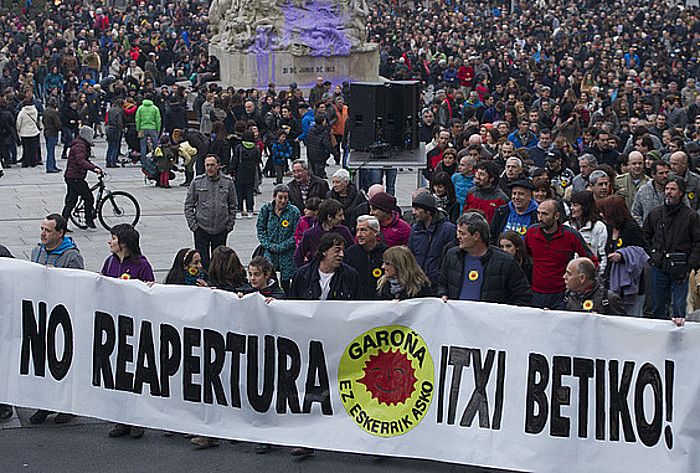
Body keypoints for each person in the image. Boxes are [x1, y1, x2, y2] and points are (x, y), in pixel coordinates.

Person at [27, 214, 82, 426]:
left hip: (63, 315)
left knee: (61, 361)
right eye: (42, 229)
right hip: (42, 313)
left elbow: (77, 285)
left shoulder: (71, 257)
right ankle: (44, 404)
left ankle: (66, 406)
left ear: (60, 233)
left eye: (48, 230)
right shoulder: (36, 251)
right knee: (42, 360)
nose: (43, 234)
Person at [102, 224, 154, 440]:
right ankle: (121, 419)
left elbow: (151, 293)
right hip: (114, 325)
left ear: (123, 243)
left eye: (113, 238)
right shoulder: (110, 262)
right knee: (118, 374)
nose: (109, 242)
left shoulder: (142, 265)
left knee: (135, 374)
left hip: (135, 327)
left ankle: (137, 420)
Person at [438, 212, 532, 305]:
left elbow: (523, 296)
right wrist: (443, 294)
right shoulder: (452, 255)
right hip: (457, 318)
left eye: (462, 234)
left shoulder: (506, 262)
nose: (458, 237)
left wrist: (503, 314)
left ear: (476, 236)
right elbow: (442, 283)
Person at [643, 177, 700, 326]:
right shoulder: (655, 213)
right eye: (667, 189)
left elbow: (698, 242)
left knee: (679, 309)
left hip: (681, 269)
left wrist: (690, 265)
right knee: (658, 307)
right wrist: (654, 257)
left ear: (681, 193)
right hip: (659, 267)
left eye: (673, 189)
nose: (668, 192)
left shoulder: (691, 216)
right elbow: (645, 237)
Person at [524, 200, 597, 309]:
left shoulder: (571, 235)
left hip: (562, 294)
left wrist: (581, 285)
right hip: (536, 292)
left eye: (545, 214)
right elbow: (526, 257)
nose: (540, 217)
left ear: (556, 215)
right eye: (538, 213)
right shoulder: (531, 233)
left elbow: (591, 261)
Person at [597, 195, 649, 317]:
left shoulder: (632, 228)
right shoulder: (609, 227)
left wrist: (623, 255)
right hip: (611, 281)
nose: (601, 215)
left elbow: (643, 252)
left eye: (604, 212)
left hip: (631, 284)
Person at [184, 154, 238, 269]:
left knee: (219, 262)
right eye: (207, 165)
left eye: (212, 165)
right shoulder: (197, 182)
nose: (210, 168)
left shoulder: (228, 182)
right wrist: (193, 225)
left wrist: (230, 225)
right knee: (202, 262)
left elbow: (233, 205)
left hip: (221, 228)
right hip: (201, 229)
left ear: (218, 166)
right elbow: (189, 205)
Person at [256, 184, 301, 293]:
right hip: (270, 250)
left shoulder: (294, 211)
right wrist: (268, 245)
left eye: (285, 198)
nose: (283, 201)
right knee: (269, 277)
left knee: (287, 280)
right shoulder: (266, 210)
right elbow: (260, 228)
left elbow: (297, 233)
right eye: (280, 197)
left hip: (287, 252)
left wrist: (282, 246)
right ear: (274, 197)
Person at [289, 232, 359, 301]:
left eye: (343, 251)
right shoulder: (302, 275)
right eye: (337, 250)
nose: (341, 254)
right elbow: (293, 304)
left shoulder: (350, 275)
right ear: (324, 251)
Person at [408, 193, 456, 290]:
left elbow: (451, 258)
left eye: (417, 209)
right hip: (418, 282)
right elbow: (411, 253)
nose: (414, 212)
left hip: (437, 283)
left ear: (428, 211)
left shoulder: (448, 229)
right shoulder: (415, 229)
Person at [61, 126, 103, 229]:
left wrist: (95, 167)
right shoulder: (80, 146)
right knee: (88, 197)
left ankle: (62, 224)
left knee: (71, 200)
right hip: (75, 177)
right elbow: (81, 162)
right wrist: (94, 169)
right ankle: (88, 220)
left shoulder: (81, 144)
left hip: (72, 176)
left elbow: (84, 160)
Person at [294, 198, 354, 267]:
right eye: (339, 215)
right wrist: (308, 272)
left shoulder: (344, 231)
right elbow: (298, 257)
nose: (343, 218)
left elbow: (352, 253)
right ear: (329, 217)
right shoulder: (311, 234)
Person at [344, 215, 389, 299]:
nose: (359, 235)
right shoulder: (350, 253)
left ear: (375, 232)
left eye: (363, 230)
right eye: (357, 230)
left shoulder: (386, 253)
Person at [566, 191, 608, 275]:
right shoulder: (567, 226)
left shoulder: (599, 227)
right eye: (571, 205)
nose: (571, 208)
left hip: (590, 275)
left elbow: (603, 255)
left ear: (585, 207)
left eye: (575, 205)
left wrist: (599, 275)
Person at [490, 180, 538, 244]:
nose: (516, 197)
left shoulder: (537, 214)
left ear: (529, 196)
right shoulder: (502, 211)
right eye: (514, 193)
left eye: (521, 194)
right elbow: (492, 235)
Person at [631, 160, 671, 226]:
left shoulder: (675, 189)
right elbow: (635, 213)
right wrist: (643, 228)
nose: (665, 176)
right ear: (653, 174)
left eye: (667, 172)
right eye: (661, 173)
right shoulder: (643, 191)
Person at [231, 131, 260, 217]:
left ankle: (239, 210)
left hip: (240, 172)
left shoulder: (239, 147)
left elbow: (235, 160)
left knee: (239, 192)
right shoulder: (255, 148)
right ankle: (250, 210)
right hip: (251, 172)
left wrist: (232, 170)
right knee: (249, 192)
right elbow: (257, 160)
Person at [16, 98, 42, 168]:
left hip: (24, 133)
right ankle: (33, 161)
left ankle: (26, 162)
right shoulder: (35, 110)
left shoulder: (22, 112)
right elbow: (37, 120)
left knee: (26, 148)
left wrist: (18, 130)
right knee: (33, 148)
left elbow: (18, 122)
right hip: (34, 131)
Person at [304, 114, 332, 178]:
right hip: (320, 154)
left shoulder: (310, 130)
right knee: (319, 171)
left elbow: (306, 140)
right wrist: (334, 152)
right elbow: (327, 144)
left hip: (311, 153)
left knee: (313, 170)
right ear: (323, 121)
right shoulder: (324, 132)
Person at [135, 96, 161, 163]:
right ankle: (156, 159)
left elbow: (137, 119)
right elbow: (158, 119)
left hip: (143, 128)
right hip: (153, 128)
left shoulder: (140, 108)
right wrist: (158, 129)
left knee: (143, 145)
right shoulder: (155, 108)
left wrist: (138, 128)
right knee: (155, 144)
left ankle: (143, 160)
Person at [42, 98, 62, 173]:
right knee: (51, 151)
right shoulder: (54, 112)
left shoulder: (46, 111)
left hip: (46, 131)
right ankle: (50, 167)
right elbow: (58, 124)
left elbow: (43, 120)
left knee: (50, 150)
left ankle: (53, 165)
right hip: (53, 132)